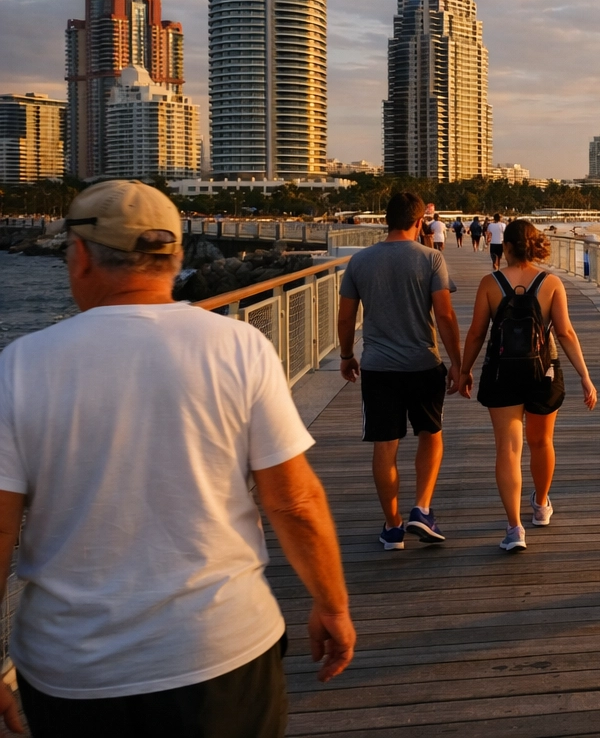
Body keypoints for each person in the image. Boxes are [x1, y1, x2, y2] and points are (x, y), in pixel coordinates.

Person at [0, 181, 354, 736]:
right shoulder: (238, 347)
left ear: (83, 256)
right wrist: (332, 604)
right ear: (175, 256)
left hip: (73, 674)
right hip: (220, 654)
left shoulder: (20, 366)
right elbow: (295, 502)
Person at [458, 220, 598, 552]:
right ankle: (541, 504)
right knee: (541, 441)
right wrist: (585, 375)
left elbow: (477, 333)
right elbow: (564, 333)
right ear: (534, 246)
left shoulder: (490, 283)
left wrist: (463, 371)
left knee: (508, 449)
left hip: (501, 374)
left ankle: (514, 528)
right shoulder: (551, 283)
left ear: (504, 246)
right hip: (543, 372)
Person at [338, 191, 463, 549]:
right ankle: (421, 508)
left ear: (385, 220)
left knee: (384, 444)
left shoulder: (360, 262)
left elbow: (346, 317)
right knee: (430, 433)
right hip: (424, 363)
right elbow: (445, 314)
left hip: (378, 368)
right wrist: (457, 363)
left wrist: (347, 356)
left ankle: (393, 526)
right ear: (419, 221)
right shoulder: (431, 259)